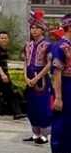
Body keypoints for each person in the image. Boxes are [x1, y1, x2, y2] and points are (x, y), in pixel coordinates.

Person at [24, 11, 53, 145]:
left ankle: (45, 135)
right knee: (31, 107)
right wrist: (25, 77)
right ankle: (36, 133)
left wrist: (38, 77)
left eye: (37, 28)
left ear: (42, 29)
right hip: (29, 77)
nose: (34, 30)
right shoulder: (28, 45)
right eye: (32, 28)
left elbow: (49, 63)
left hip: (41, 78)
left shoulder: (47, 45)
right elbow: (25, 62)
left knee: (42, 106)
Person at [51, 14, 71, 153]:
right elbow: (56, 73)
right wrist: (58, 97)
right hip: (65, 87)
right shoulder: (61, 47)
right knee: (62, 124)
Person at [0, 30, 21, 119]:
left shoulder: (4, 50)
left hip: (4, 75)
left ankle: (17, 113)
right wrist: (3, 75)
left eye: (5, 38)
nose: (4, 40)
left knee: (11, 93)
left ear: (8, 39)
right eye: (2, 38)